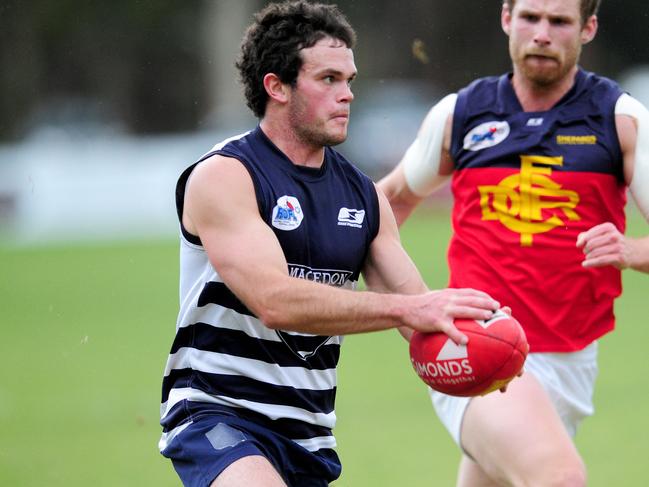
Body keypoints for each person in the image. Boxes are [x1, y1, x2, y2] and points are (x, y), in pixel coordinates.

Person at [157, 2, 501, 486]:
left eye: (350, 80)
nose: (348, 95)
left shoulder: (364, 196)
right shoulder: (226, 176)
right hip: (218, 414)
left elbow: (421, 315)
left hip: (309, 434)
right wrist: (410, 310)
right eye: (328, 80)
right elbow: (275, 301)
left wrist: (484, 347)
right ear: (276, 86)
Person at [379, 0, 649, 485]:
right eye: (530, 18)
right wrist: (404, 302)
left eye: (559, 21)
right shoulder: (461, 113)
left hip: (572, 359)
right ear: (507, 19)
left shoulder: (621, 119)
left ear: (587, 28)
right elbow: (389, 202)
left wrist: (631, 250)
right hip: (477, 341)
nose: (542, 33)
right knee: (559, 479)